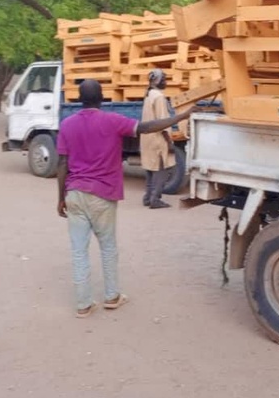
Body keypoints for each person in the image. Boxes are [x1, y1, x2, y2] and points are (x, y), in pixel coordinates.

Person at [56, 79, 194, 318]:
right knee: (108, 248)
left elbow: (62, 164)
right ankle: (111, 297)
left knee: (79, 251)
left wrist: (61, 198)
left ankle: (83, 305)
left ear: (79, 99)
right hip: (103, 194)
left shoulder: (67, 125)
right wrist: (181, 117)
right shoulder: (112, 121)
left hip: (75, 193)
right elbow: (149, 127)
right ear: (102, 99)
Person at [140, 68, 177, 209]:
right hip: (158, 138)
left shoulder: (149, 94)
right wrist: (169, 142)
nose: (166, 82)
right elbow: (163, 121)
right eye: (164, 79)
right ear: (157, 81)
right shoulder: (159, 97)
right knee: (162, 170)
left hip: (147, 138)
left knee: (150, 168)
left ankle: (147, 197)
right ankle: (155, 199)